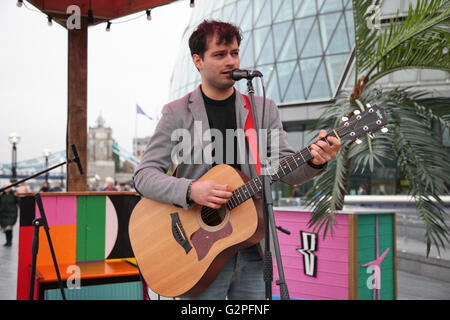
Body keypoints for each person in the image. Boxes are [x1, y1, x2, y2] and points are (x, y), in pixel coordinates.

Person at [133, 20, 341, 300]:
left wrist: (316, 161)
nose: (230, 61)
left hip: (253, 247)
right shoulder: (176, 112)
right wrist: (191, 190)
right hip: (196, 255)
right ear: (198, 61)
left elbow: (286, 167)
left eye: (234, 53)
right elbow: (144, 175)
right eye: (219, 55)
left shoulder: (263, 109)